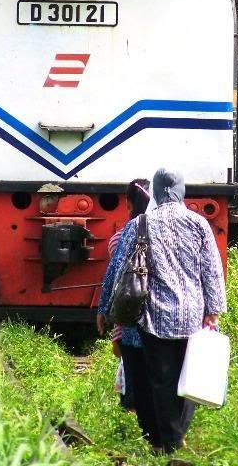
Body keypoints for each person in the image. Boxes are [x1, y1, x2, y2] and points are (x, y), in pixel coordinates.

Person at [99, 168, 227, 455]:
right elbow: (212, 269)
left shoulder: (141, 223)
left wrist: (106, 308)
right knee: (188, 376)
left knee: (161, 380)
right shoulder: (198, 223)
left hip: (154, 316)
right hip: (192, 315)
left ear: (155, 192)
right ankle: (176, 437)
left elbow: (120, 269)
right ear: (182, 191)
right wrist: (214, 310)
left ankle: (170, 442)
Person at [99, 179, 152, 423]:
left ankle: (133, 414)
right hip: (161, 319)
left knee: (132, 368)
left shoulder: (123, 235)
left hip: (130, 315)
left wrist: (104, 308)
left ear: (128, 204)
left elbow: (117, 271)